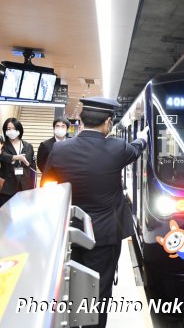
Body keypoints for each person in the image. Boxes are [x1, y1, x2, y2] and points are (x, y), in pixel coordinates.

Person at [42, 97, 148, 328]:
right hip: (104, 236)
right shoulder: (117, 148)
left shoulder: (59, 149)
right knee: (99, 292)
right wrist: (144, 138)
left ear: (79, 120)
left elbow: (47, 188)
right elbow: (137, 149)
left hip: (70, 232)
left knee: (69, 287)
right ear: (108, 122)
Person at [0, 118, 36, 206]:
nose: (11, 131)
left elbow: (32, 166)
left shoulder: (28, 146)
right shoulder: (3, 145)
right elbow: (3, 156)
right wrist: (17, 157)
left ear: (19, 130)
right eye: (8, 129)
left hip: (25, 186)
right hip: (7, 187)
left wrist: (33, 186)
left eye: (14, 128)